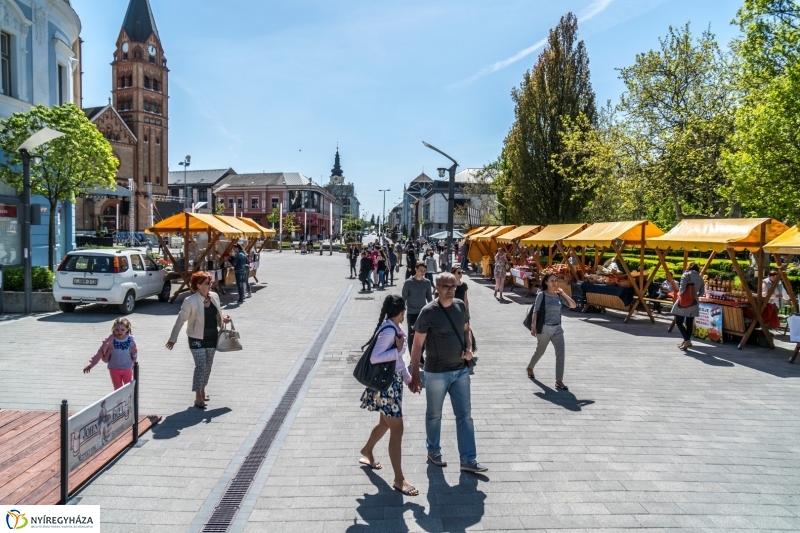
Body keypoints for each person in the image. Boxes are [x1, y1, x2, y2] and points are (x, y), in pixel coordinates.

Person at [409, 272, 486, 473]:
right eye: (445, 286)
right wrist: (416, 374)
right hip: (436, 373)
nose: (450, 290)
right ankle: (433, 450)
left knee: (465, 416)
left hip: (460, 371)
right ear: (437, 288)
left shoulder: (460, 305)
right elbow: (417, 345)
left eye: (452, 286)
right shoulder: (428, 311)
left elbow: (466, 329)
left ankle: (468, 459)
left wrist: (469, 348)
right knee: (434, 415)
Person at [358, 295, 418, 496]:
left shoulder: (392, 327)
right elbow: (376, 357)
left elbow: (399, 362)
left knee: (385, 424)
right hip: (387, 387)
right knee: (397, 430)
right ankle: (399, 479)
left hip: (393, 384)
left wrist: (408, 379)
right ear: (402, 312)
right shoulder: (389, 331)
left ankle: (367, 450)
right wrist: (397, 350)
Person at [166, 271, 231, 409]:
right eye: (207, 283)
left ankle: (203, 389)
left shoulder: (214, 297)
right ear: (199, 285)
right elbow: (181, 320)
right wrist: (173, 338)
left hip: (212, 337)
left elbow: (218, 313)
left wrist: (224, 317)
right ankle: (197, 396)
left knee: (208, 365)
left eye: (210, 282)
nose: (210, 285)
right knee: (200, 365)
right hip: (196, 338)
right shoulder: (190, 301)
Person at [527, 273, 577, 390]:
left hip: (558, 328)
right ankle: (530, 367)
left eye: (556, 280)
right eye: (552, 281)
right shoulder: (541, 295)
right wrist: (533, 327)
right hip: (544, 328)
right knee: (540, 351)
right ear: (546, 282)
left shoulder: (558, 296)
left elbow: (573, 306)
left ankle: (559, 380)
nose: (554, 283)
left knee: (561, 354)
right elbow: (535, 311)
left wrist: (563, 293)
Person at [84, 317, 138, 390]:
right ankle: (119, 402)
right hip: (114, 368)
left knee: (129, 389)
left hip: (127, 368)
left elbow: (134, 352)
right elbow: (100, 352)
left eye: (122, 330)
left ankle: (129, 401)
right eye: (117, 330)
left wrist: (133, 362)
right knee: (117, 389)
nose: (119, 332)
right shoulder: (110, 340)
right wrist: (90, 364)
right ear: (113, 330)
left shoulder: (130, 339)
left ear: (127, 329)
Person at [402, 261, 433, 365]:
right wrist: (401, 312)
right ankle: (413, 357)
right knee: (412, 336)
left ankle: (420, 356)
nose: (422, 272)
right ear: (416, 269)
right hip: (412, 313)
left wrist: (433, 309)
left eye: (424, 271)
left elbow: (429, 298)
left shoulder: (427, 282)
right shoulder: (408, 282)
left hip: (424, 313)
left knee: (424, 336)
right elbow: (403, 298)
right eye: (421, 270)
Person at [672, 262, 705, 350]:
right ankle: (686, 341)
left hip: (684, 301)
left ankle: (687, 340)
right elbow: (702, 292)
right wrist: (694, 296)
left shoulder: (686, 275)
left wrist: (680, 295)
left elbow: (682, 288)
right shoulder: (700, 277)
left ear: (689, 267)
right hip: (694, 302)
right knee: (689, 323)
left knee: (678, 321)